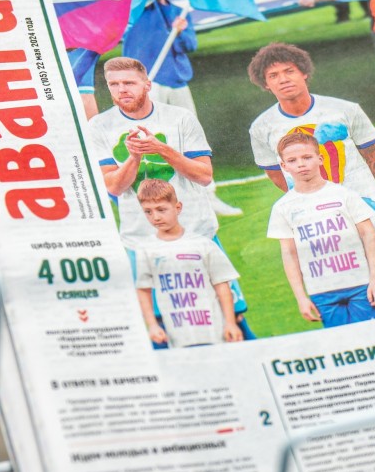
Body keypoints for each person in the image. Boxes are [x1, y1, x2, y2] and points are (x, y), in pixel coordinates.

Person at [247, 42, 375, 311]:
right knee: (353, 303)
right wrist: (315, 201)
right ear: (265, 84)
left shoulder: (344, 109)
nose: (283, 79)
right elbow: (276, 174)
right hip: (323, 229)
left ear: (304, 72)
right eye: (273, 76)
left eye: (289, 71)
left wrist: (354, 197)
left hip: (373, 216)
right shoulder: (262, 127)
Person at [87, 57, 254, 338]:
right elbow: (113, 187)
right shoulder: (99, 126)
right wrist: (134, 157)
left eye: (129, 83)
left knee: (231, 317)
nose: (121, 90)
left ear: (147, 84)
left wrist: (161, 149)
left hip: (196, 231)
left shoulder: (179, 118)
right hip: (142, 240)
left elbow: (204, 175)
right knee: (161, 323)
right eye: (113, 84)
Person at [124, 0, 243, 216]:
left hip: (177, 81)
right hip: (149, 82)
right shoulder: (136, 8)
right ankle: (158, 201)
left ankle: (207, 197)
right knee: (154, 140)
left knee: (190, 137)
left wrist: (179, 31)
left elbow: (190, 45)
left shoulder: (179, 10)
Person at [267, 132, 375, 327]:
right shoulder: (282, 208)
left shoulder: (344, 195)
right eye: (292, 160)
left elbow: (369, 236)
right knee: (342, 343)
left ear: (320, 159)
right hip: (322, 292)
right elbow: (289, 254)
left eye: (307, 157)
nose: (301, 164)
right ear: (284, 166)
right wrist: (301, 297)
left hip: (361, 285)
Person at [134, 179, 243, 348]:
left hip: (214, 332)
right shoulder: (146, 249)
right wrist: (153, 325)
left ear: (178, 208)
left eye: (161, 210)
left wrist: (230, 322)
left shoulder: (203, 244)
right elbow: (143, 289)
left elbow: (222, 285)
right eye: (148, 212)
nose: (155, 217)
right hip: (178, 338)